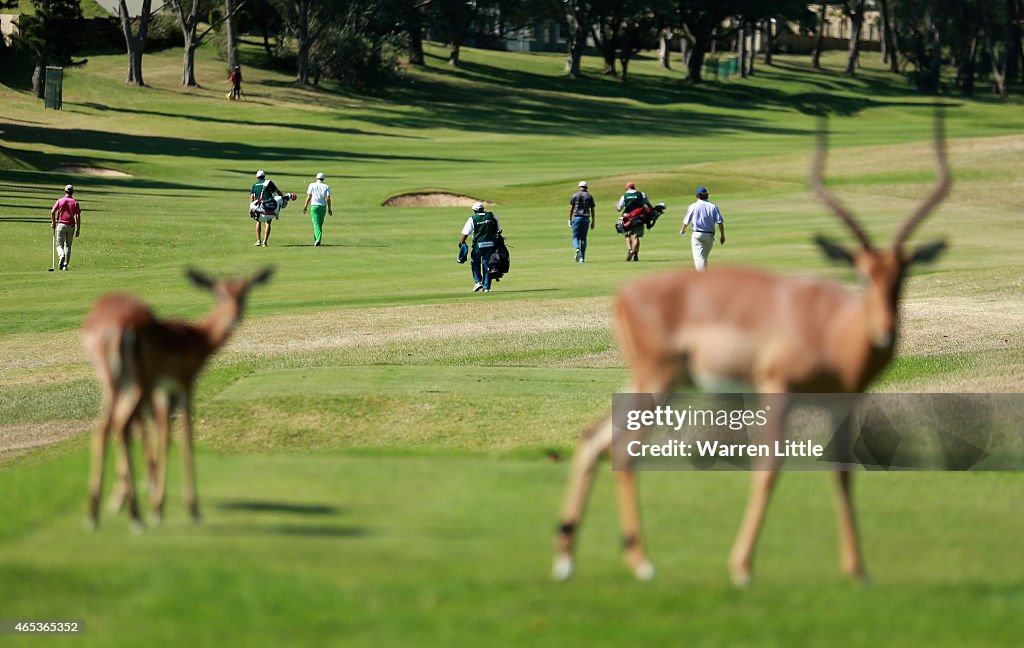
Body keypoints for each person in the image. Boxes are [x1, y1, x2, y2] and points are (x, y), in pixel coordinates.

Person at [680, 187, 725, 271]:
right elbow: (720, 222)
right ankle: (705, 275)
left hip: (697, 234)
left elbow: (687, 220)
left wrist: (682, 230)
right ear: (707, 195)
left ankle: (702, 278)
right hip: (710, 236)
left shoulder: (693, 206)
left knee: (699, 259)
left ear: (697, 196)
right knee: (703, 258)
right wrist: (722, 235)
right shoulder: (713, 206)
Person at [459, 202, 500, 293]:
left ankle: (477, 282)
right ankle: (486, 287)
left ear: (474, 210)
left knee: (475, 263)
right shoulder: (492, 216)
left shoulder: (472, 219)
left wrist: (462, 243)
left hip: (478, 246)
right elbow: (498, 230)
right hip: (490, 245)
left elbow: (465, 233)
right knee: (487, 266)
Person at [615, 181, 651, 262]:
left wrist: (616, 205)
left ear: (627, 188)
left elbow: (619, 208)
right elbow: (648, 204)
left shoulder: (624, 196)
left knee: (627, 235)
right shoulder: (641, 194)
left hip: (627, 218)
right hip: (639, 217)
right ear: (634, 187)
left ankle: (630, 250)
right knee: (636, 236)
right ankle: (636, 255)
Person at [50, 184, 81, 271]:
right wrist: (78, 229)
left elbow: (52, 212)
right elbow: (78, 216)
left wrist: (53, 222)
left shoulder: (60, 201)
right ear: (72, 192)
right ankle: (65, 265)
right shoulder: (75, 203)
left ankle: (61, 255)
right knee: (68, 246)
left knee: (59, 244)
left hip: (61, 225)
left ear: (65, 191)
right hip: (71, 226)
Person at [250, 170, 282, 247]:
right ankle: (265, 241)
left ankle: (258, 240)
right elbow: (277, 191)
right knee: (268, 222)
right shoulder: (269, 182)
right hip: (268, 205)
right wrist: (283, 197)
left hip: (258, 206)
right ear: (264, 176)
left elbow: (252, 197)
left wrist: (251, 207)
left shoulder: (255, 185)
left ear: (257, 177)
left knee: (258, 221)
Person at [301, 172, 333, 246]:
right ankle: (317, 239)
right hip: (323, 207)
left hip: (314, 206)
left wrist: (305, 206)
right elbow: (328, 198)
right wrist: (329, 208)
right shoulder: (326, 186)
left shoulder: (312, 185)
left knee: (316, 224)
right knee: (319, 224)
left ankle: (317, 239)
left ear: (316, 178)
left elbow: (309, 197)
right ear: (323, 179)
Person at [568, 180, 595, 263]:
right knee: (583, 238)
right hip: (586, 218)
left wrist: (570, 219)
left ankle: (577, 248)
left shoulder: (575, 195)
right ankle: (582, 258)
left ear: (579, 187)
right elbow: (592, 209)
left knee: (575, 237)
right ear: (586, 187)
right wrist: (593, 221)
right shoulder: (589, 196)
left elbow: (571, 208)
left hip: (577, 217)